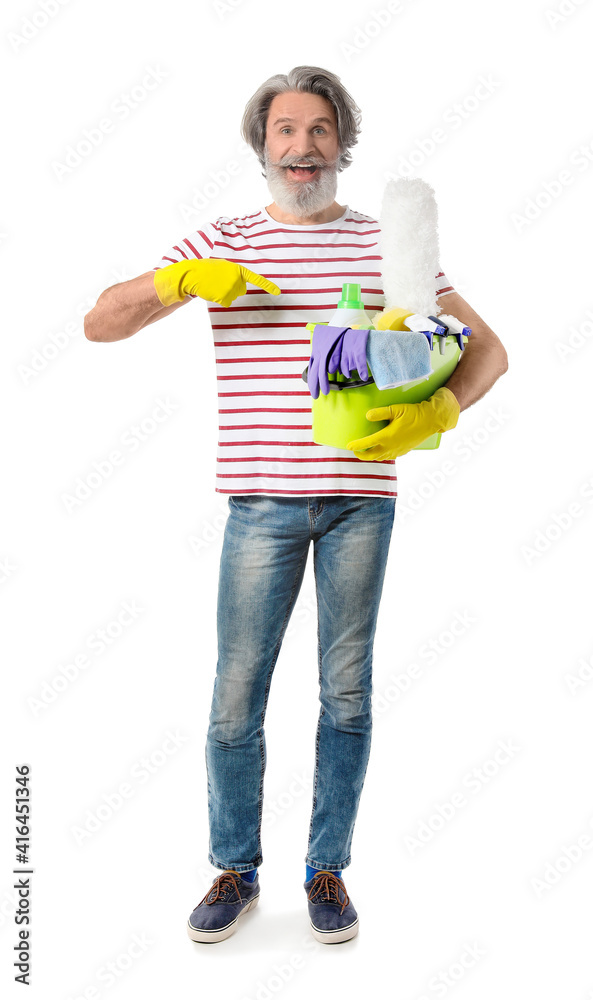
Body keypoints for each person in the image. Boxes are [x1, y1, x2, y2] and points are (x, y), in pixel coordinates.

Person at [84, 65, 508, 946]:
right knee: (236, 694)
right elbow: (100, 322)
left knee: (343, 693)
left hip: (361, 503)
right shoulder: (225, 238)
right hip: (260, 504)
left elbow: (489, 352)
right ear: (262, 144)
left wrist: (438, 410)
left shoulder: (386, 245)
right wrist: (181, 283)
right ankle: (234, 869)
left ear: (340, 143)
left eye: (319, 130)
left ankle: (327, 871)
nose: (301, 147)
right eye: (285, 130)